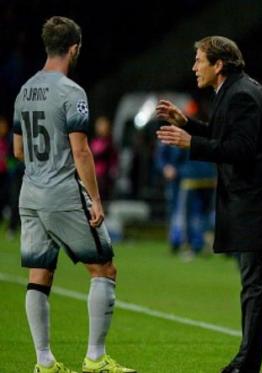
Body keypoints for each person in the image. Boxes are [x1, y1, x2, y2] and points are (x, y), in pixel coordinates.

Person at [155, 36, 262, 373]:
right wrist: (188, 124)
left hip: (259, 205)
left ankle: (247, 363)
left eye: (199, 61)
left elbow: (239, 149)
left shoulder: (240, 94)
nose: (194, 68)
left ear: (218, 64)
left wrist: (191, 142)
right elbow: (227, 136)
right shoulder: (237, 90)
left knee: (256, 284)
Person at [12, 16, 134, 373]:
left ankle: (44, 362)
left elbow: (18, 150)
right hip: (62, 192)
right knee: (104, 268)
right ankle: (96, 358)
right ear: (74, 48)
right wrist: (95, 199)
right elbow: (81, 151)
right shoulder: (71, 91)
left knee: (40, 275)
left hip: (30, 194)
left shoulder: (23, 91)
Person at [90, 116, 118, 201]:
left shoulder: (110, 143)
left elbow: (114, 160)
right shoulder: (94, 142)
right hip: (94, 176)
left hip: (105, 178)